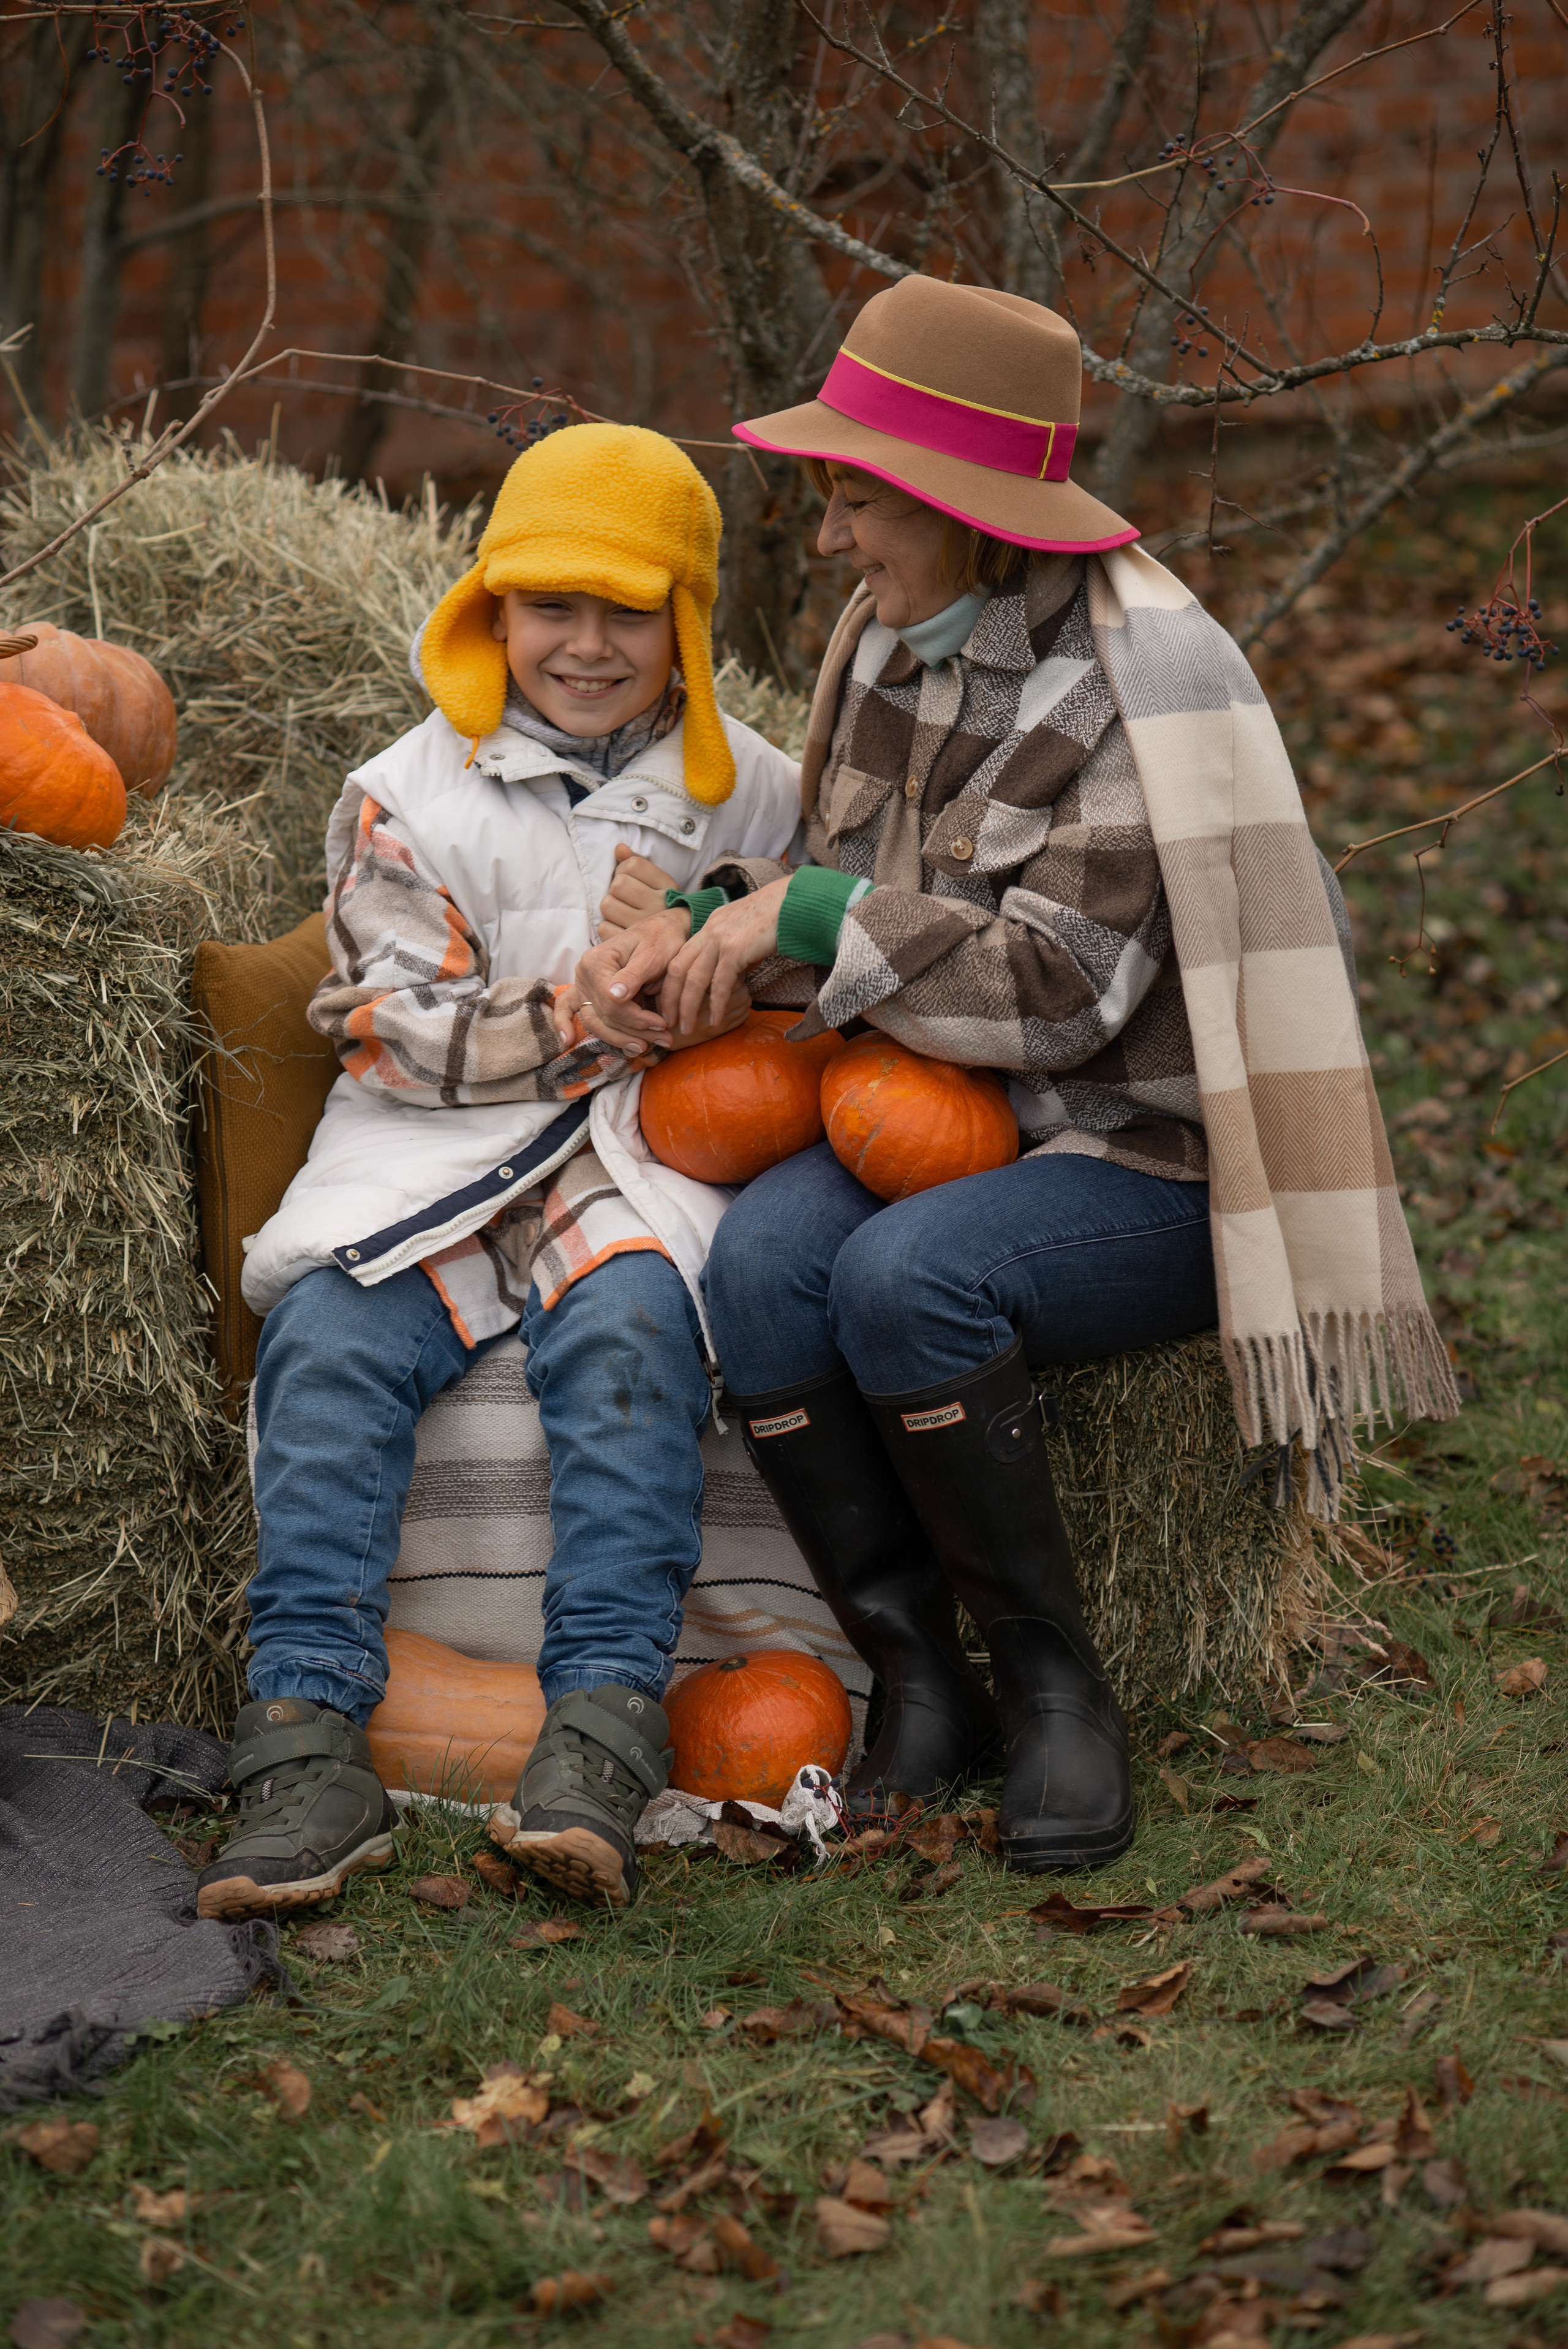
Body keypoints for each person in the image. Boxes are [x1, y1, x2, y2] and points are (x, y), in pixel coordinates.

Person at [576, 278, 1458, 1876]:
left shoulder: (1143, 684)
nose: (831, 537)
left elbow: (1059, 988)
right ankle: (923, 1675)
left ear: (952, 505)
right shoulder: (889, 637)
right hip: (957, 1112)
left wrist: (820, 912)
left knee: (910, 1281)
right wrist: (720, 929)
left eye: (854, 497)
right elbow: (840, 885)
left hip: (1153, 1157)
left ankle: (1055, 1689)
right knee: (769, 1268)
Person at [197, 422, 803, 1921]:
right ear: (492, 613)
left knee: (634, 1336)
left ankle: (599, 1722)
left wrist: (726, 951)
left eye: (627, 613)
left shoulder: (759, 794)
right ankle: (306, 1732)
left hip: (628, 1157)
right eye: (551, 609)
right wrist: (574, 1011)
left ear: (685, 624)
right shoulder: (410, 792)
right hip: (433, 1154)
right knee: (330, 1343)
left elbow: (804, 977)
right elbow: (390, 1031)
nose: (586, 648)